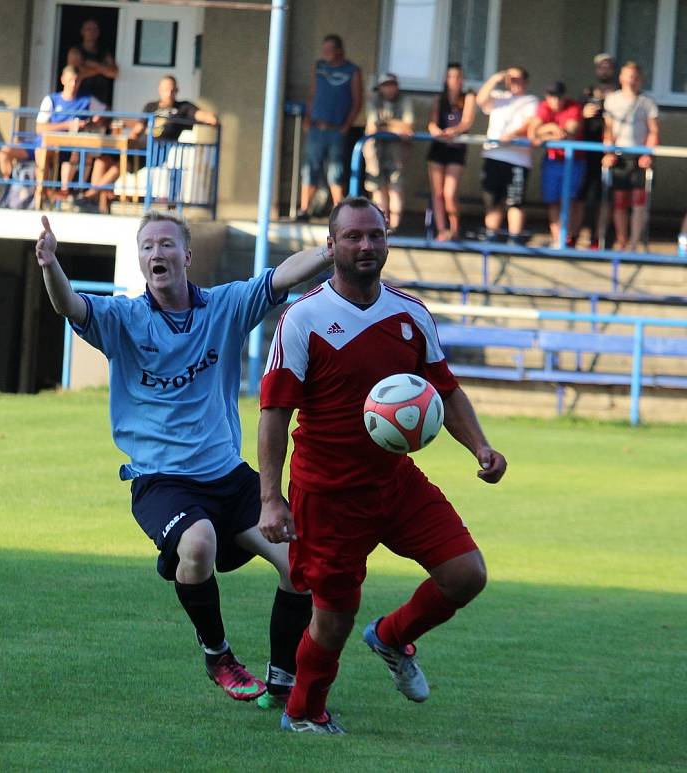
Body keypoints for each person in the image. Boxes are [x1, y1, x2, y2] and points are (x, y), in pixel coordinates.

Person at [34, 209, 334, 706]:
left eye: (167, 244)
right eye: (148, 246)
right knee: (197, 545)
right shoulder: (123, 319)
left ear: (187, 256)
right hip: (161, 480)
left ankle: (283, 679)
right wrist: (50, 265)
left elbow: (280, 275)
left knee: (301, 563)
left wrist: (327, 253)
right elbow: (70, 306)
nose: (157, 252)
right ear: (140, 259)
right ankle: (219, 656)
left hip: (229, 477)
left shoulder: (224, 307)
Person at [257, 196, 507, 734]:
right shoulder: (304, 319)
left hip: (395, 483)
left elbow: (445, 388)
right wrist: (271, 497)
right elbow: (274, 412)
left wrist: (480, 447)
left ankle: (393, 636)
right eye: (353, 236)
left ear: (387, 241)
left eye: (375, 235)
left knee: (466, 574)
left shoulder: (411, 314)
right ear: (330, 246)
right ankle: (303, 713)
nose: (366, 245)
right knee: (332, 616)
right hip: (327, 494)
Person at [81, 75, 218, 212]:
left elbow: (203, 116)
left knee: (120, 165)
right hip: (139, 146)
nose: (169, 93)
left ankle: (90, 195)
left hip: (155, 153)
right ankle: (96, 201)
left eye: (172, 90)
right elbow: (138, 129)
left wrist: (211, 119)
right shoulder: (150, 106)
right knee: (102, 160)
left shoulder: (183, 108)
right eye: (165, 89)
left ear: (177, 91)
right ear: (159, 90)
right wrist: (128, 141)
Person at [0, 66, 106, 200]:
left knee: (59, 153)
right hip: (42, 142)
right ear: (62, 80)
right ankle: (10, 188)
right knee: (5, 152)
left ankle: (45, 194)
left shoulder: (85, 100)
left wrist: (95, 120)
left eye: (77, 81)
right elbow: (40, 128)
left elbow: (105, 112)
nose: (73, 84)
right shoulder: (52, 100)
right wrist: (67, 125)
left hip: (66, 147)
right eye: (70, 80)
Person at [296, 34, 363, 221]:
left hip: (336, 129)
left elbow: (357, 101)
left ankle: (338, 211)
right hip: (316, 128)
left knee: (336, 169)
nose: (325, 53)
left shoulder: (352, 70)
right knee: (310, 167)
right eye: (323, 49)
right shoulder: (319, 67)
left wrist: (346, 126)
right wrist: (308, 119)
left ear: (339, 51)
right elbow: (312, 94)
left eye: (329, 50)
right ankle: (304, 209)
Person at [602, 61, 660, 251]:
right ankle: (622, 240)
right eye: (628, 76)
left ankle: (634, 242)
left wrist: (648, 153)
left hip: (639, 156)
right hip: (619, 155)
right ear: (621, 78)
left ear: (640, 79)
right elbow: (609, 129)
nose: (631, 80)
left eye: (635, 77)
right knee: (619, 200)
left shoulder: (647, 102)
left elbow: (653, 131)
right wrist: (608, 152)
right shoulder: (612, 99)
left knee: (639, 201)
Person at [476, 67, 539, 242]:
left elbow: (530, 122)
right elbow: (480, 100)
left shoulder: (531, 100)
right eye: (511, 79)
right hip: (494, 155)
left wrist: (512, 135)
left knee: (515, 200)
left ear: (525, 82)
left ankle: (515, 237)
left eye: (518, 79)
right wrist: (496, 78)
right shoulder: (498, 97)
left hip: (517, 159)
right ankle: (491, 235)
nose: (514, 82)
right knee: (492, 200)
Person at [528, 81, 585, 247]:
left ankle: (570, 239)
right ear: (547, 97)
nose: (556, 100)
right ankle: (558, 238)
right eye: (552, 96)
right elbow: (533, 133)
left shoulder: (573, 107)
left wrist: (544, 133)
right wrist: (551, 127)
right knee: (553, 200)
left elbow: (569, 132)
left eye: (559, 96)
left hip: (574, 161)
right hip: (553, 160)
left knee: (571, 199)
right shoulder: (543, 107)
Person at [427, 63, 476, 240]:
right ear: (446, 79)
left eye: (458, 77)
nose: (455, 80)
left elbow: (467, 122)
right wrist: (435, 130)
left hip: (456, 148)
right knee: (437, 193)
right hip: (438, 147)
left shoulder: (468, 97)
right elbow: (432, 122)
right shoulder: (438, 98)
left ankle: (455, 228)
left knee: (449, 193)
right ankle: (442, 230)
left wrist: (453, 131)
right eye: (451, 76)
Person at [362, 72, 415, 231]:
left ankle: (395, 227)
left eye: (391, 85)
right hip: (375, 150)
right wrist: (395, 127)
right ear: (380, 88)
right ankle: (381, 225)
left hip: (397, 151)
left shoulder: (405, 100)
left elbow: (408, 128)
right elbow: (372, 128)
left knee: (395, 187)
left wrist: (384, 124)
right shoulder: (373, 100)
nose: (389, 89)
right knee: (378, 187)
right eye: (385, 85)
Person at [575, 53, 617, 248]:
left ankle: (598, 237)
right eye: (601, 67)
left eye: (608, 66)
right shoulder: (587, 92)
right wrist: (584, 114)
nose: (604, 70)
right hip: (587, 151)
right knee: (583, 196)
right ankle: (576, 234)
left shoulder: (618, 94)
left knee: (605, 197)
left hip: (610, 151)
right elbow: (575, 118)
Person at [76, 18, 118, 108]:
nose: (92, 32)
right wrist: (103, 69)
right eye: (88, 29)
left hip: (101, 98)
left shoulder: (104, 52)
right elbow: (76, 74)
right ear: (82, 32)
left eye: (95, 29)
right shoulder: (76, 51)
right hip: (81, 100)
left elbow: (114, 73)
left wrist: (93, 65)